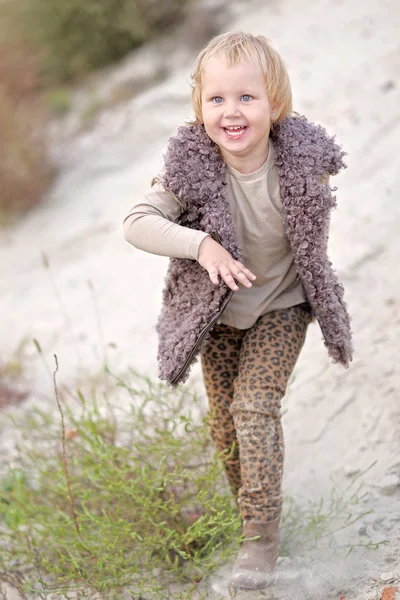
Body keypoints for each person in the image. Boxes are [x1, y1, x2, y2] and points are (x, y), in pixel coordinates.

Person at [123, 31, 352, 591]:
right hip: (219, 316)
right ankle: (251, 509)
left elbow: (309, 219)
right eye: (217, 99)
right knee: (225, 428)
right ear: (200, 109)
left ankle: (260, 540)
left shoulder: (299, 161)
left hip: (283, 303)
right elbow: (135, 223)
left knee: (254, 406)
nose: (231, 111)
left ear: (275, 104)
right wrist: (200, 244)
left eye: (247, 97)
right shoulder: (190, 168)